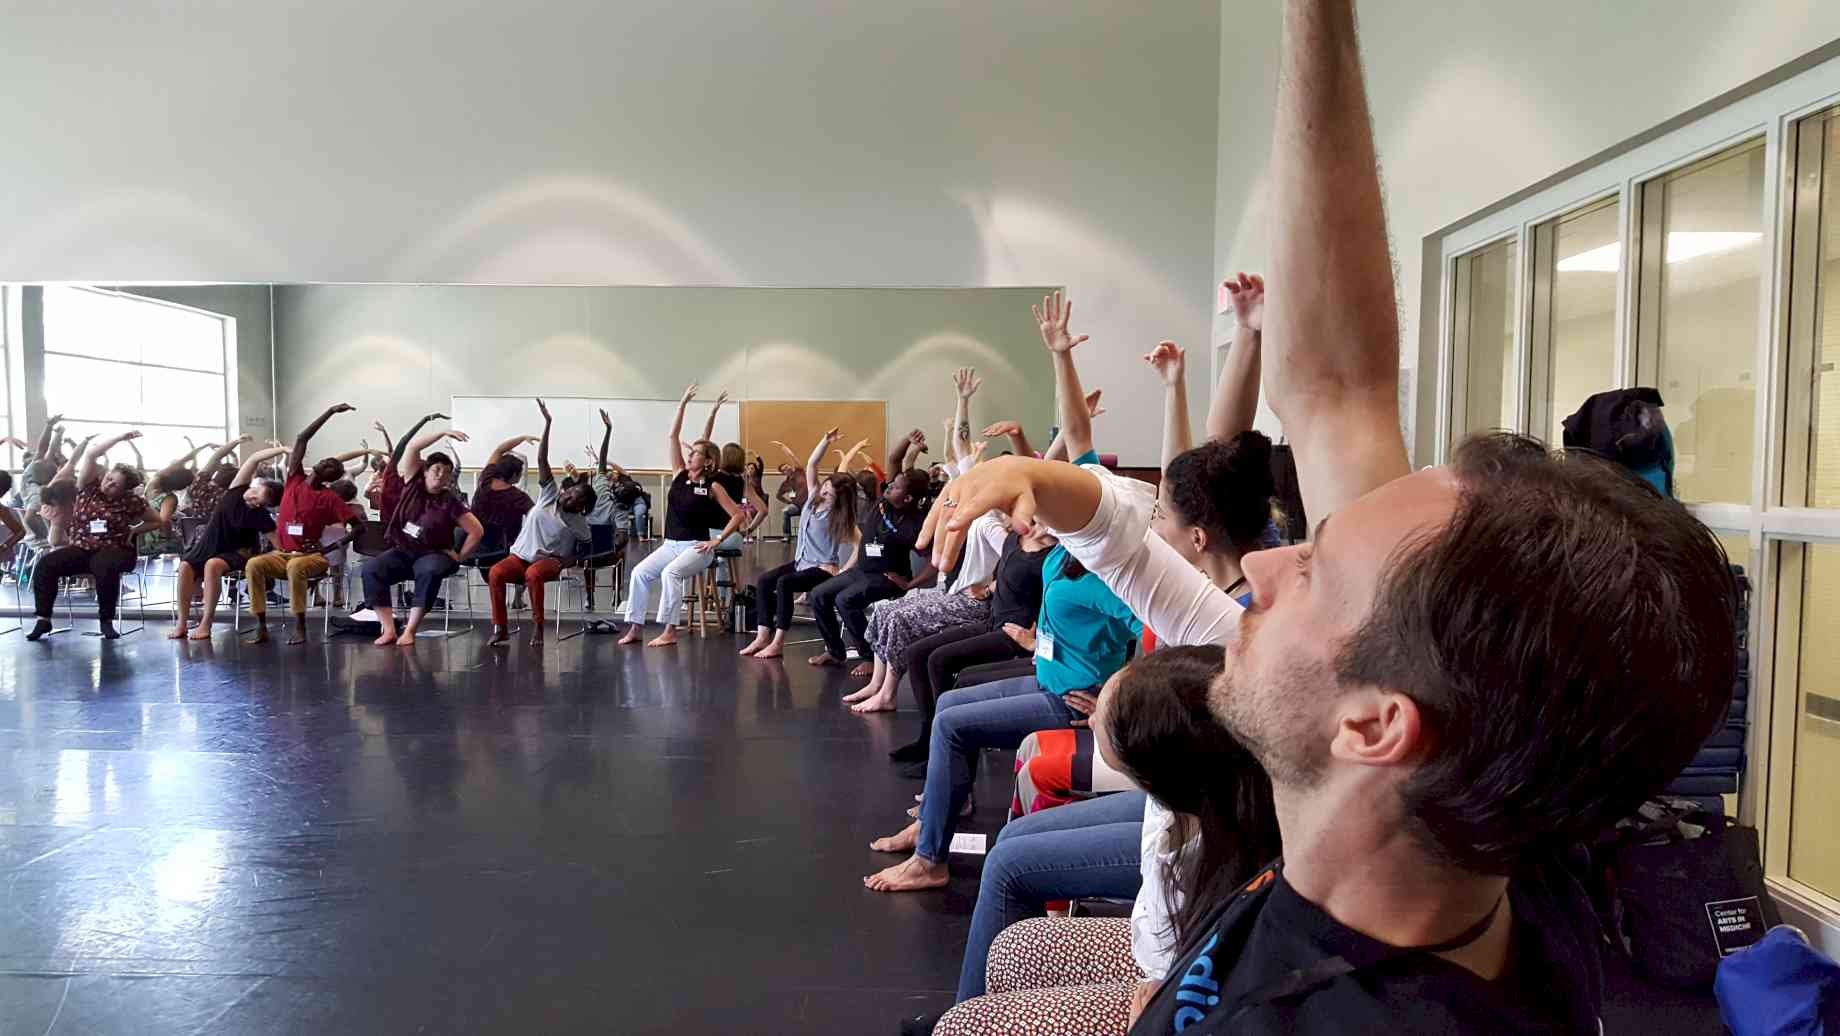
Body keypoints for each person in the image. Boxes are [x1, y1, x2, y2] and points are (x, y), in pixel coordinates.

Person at [934, 4, 1736, 1030]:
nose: (1263, 572)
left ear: (1373, 725)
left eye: (1311, 572)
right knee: (1015, 956)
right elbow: (1342, 386)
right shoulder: (1473, 801)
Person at [927, 646, 1282, 1033]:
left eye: (1102, 719)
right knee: (1012, 947)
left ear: (1150, 771)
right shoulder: (1186, 804)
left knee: (965, 1025)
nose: (1092, 717)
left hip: (1177, 991)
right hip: (1165, 959)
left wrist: (1156, 1013)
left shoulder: (1220, 866)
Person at [618, 384, 745, 648]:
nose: (689, 455)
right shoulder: (679, 475)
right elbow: (672, 436)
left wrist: (717, 540)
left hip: (696, 547)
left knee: (670, 575)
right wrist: (682, 403)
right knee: (640, 572)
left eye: (695, 453)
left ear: (708, 461)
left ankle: (670, 631)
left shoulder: (713, 485)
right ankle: (636, 627)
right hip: (670, 544)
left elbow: (738, 514)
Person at [242, 403, 366, 645]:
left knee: (296, 568)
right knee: (254, 564)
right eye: (327, 462)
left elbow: (360, 527)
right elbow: (302, 438)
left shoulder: (329, 498)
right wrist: (329, 412)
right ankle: (261, 626)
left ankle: (300, 626)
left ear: (332, 477)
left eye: (333, 468)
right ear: (318, 463)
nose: (328, 465)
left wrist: (328, 549)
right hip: (283, 553)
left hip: (312, 557)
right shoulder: (294, 478)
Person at [27, 431, 166, 640]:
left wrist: (134, 530)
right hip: (82, 549)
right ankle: (43, 620)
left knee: (103, 565)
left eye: (115, 485)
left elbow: (157, 520)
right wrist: (118, 438)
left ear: (124, 490)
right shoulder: (87, 487)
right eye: (109, 479)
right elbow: (91, 454)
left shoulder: (131, 501)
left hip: (116, 550)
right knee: (46, 564)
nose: (108, 484)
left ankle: (106, 621)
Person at [805, 445, 932, 670]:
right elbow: (894, 457)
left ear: (908, 497)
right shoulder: (883, 502)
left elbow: (935, 561)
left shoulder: (914, 524)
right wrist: (908, 441)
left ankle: (871, 658)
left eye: (897, 486)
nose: (890, 485)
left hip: (886, 578)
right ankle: (835, 652)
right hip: (861, 571)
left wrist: (911, 584)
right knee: (818, 595)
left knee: (845, 600)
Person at [739, 429, 859, 661]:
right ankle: (763, 635)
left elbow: (859, 544)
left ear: (838, 500)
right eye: (824, 489)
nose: (823, 494)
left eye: (829, 495)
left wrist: (843, 571)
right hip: (801, 563)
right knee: (764, 581)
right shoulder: (813, 496)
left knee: (784, 584)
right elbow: (812, 463)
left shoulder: (840, 516)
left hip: (822, 569)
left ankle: (778, 642)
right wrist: (825, 441)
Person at [360, 425, 484, 646]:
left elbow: (476, 531)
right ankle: (388, 629)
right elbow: (413, 446)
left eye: (446, 472)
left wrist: (460, 556)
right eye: (436, 469)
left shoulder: (450, 501)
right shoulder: (412, 483)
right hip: (404, 551)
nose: (441, 475)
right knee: (371, 569)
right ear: (425, 471)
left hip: (435, 554)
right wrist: (442, 432)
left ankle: (410, 631)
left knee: (429, 570)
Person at [488, 399, 596, 646]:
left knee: (534, 574)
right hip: (520, 555)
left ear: (580, 506)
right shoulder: (550, 495)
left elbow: (587, 547)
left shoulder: (578, 522)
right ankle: (501, 628)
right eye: (570, 491)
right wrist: (547, 424)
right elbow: (542, 459)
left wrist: (569, 560)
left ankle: (538, 627)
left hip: (548, 561)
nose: (568, 494)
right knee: (496, 572)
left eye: (575, 496)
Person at [170, 443, 287, 641]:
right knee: (185, 567)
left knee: (212, 565)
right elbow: (253, 459)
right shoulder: (234, 493)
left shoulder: (261, 517)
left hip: (238, 553)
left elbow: (279, 545)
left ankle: (206, 624)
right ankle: (181, 623)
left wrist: (283, 555)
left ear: (262, 504)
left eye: (259, 497)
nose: (253, 495)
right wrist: (283, 451)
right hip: (209, 546)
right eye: (255, 490)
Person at [472, 432, 539, 554]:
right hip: (504, 551)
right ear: (515, 475)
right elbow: (536, 518)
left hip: (473, 545)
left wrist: (521, 437)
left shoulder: (485, 479)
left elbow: (499, 450)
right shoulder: (519, 497)